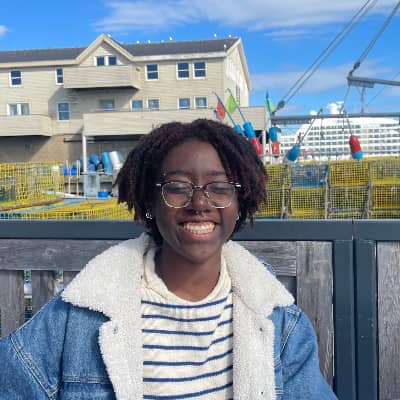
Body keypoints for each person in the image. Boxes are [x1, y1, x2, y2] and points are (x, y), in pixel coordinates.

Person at [0, 119, 336, 399]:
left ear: (240, 203)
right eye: (177, 187)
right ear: (150, 202)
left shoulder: (280, 323)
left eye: (219, 187)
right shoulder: (78, 316)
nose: (199, 203)